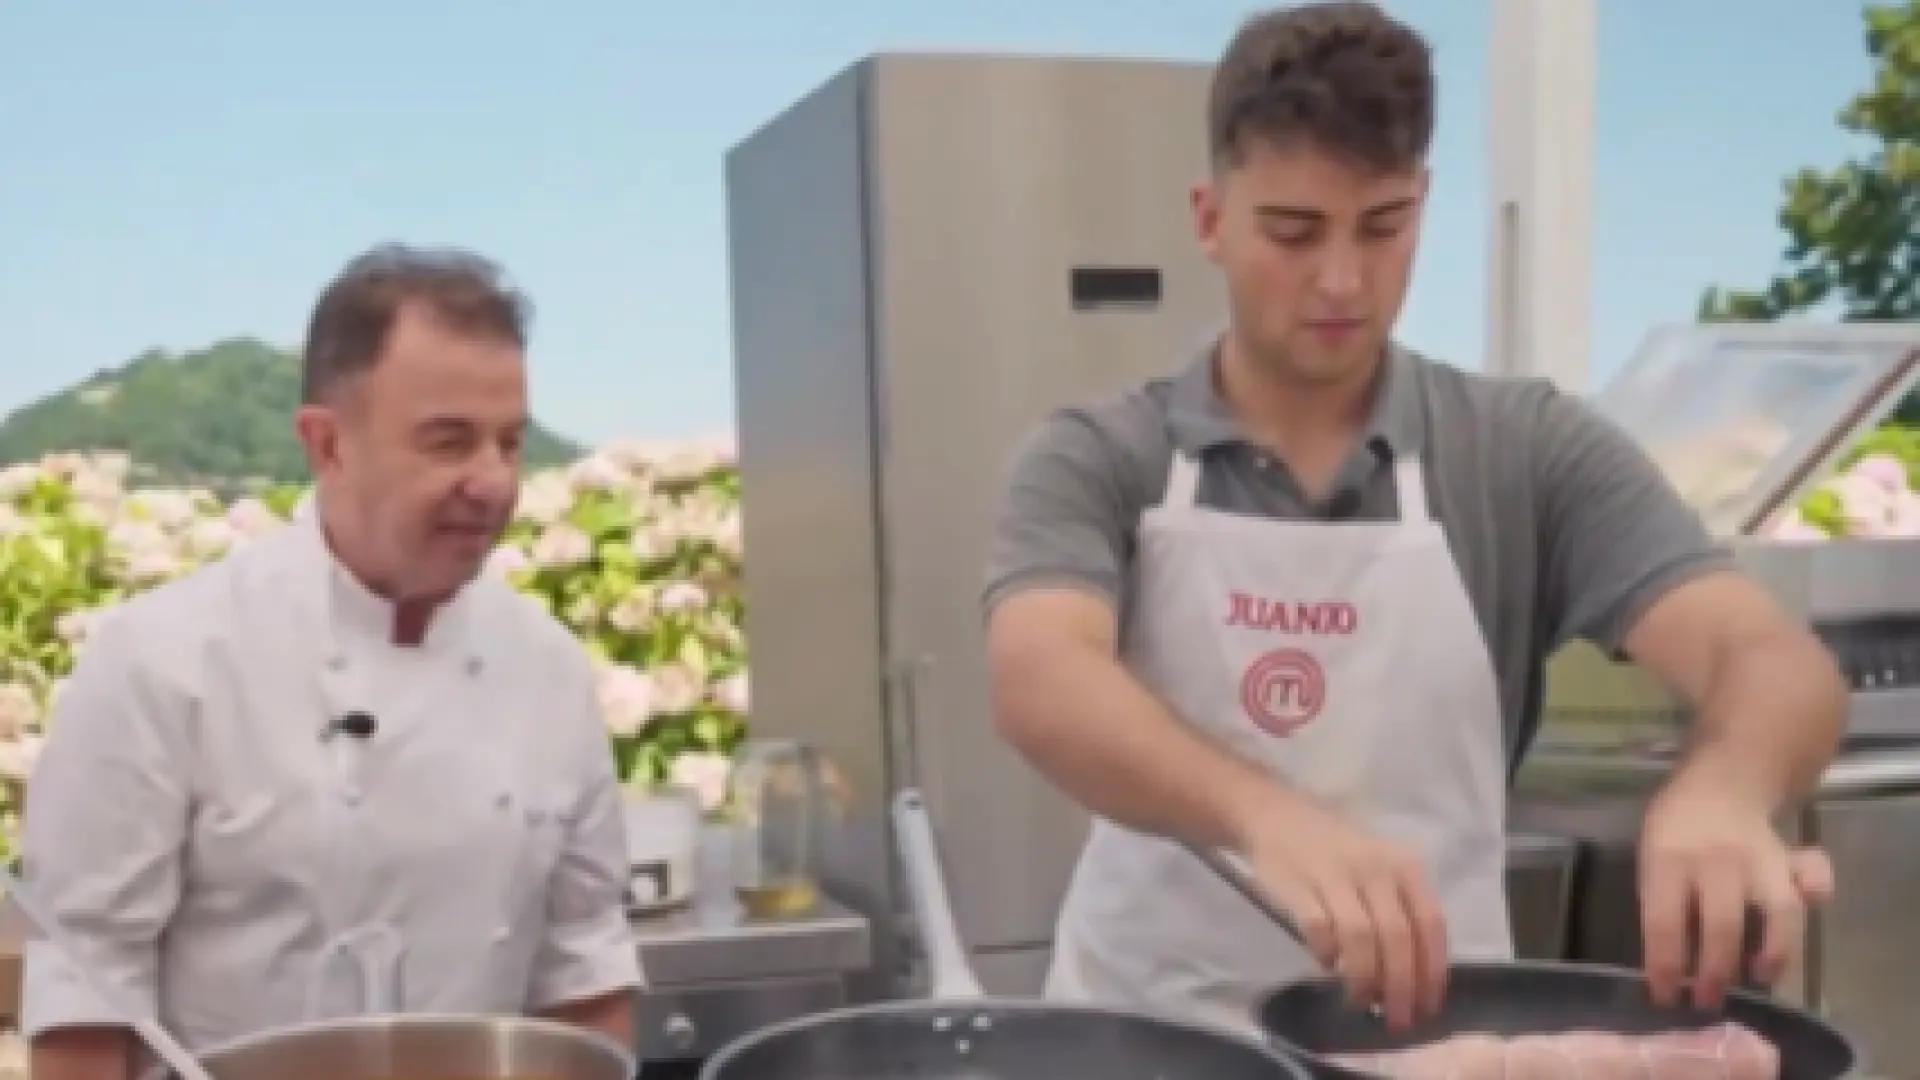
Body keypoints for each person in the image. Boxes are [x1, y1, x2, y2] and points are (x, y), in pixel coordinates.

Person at [982, 0, 1846, 1042]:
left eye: (1383, 227)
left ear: (1424, 203)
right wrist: (1271, 821)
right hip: (1149, 1041)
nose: (1342, 279)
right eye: (1293, 233)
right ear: (1210, 218)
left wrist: (1727, 784)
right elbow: (1040, 677)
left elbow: (1767, 656)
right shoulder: (1100, 453)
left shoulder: (1525, 451)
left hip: (1436, 1044)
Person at [22, 245, 642, 1078]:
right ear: (327, 444)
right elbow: (86, 997)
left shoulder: (549, 669)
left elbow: (584, 962)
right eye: (449, 442)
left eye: (509, 443)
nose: (493, 484)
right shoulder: (163, 661)